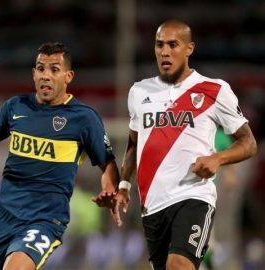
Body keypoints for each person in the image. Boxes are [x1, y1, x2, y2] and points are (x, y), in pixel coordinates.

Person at [0, 42, 120, 270]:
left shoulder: (84, 118)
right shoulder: (16, 107)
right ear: (33, 74)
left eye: (54, 69)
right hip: (4, 214)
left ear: (68, 76)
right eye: (41, 69)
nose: (46, 76)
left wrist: (110, 187)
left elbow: (107, 163)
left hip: (45, 219)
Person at [109, 20, 257, 270]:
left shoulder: (214, 90)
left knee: (179, 265)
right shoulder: (139, 92)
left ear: (189, 49)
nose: (164, 51)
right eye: (159, 45)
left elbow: (249, 143)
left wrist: (217, 159)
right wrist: (124, 184)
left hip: (194, 196)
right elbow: (134, 144)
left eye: (172, 45)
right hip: (153, 204)